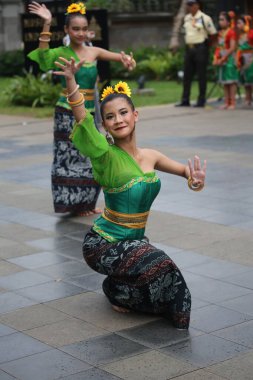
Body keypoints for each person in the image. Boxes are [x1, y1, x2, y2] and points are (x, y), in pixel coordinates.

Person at [52, 56, 207, 329]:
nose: (118, 120)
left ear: (135, 115)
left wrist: (194, 180)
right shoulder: (104, 155)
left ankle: (116, 287)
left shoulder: (151, 156)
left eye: (123, 112)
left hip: (136, 241)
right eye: (110, 117)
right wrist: (71, 81)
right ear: (106, 125)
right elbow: (82, 118)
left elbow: (187, 173)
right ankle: (127, 292)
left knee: (153, 279)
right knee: (162, 265)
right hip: (103, 244)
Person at [27, 1, 135, 216]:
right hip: (67, 112)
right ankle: (70, 204)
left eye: (84, 29)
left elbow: (120, 57)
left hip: (90, 112)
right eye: (75, 28)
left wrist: (128, 60)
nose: (80, 33)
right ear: (67, 30)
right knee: (67, 156)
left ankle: (86, 203)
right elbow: (42, 57)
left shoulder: (93, 51)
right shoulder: (61, 53)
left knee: (92, 154)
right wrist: (47, 23)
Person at [176, 0, 217, 108]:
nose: (189, 7)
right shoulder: (187, 18)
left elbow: (213, 34)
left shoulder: (205, 18)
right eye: (188, 5)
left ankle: (201, 100)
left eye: (191, 5)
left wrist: (206, 46)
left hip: (201, 48)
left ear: (197, 5)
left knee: (201, 75)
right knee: (187, 75)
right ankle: (185, 100)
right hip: (189, 48)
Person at [213, 11, 238, 110]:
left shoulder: (231, 32)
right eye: (219, 19)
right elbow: (219, 47)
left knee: (231, 82)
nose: (220, 22)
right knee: (225, 82)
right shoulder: (220, 33)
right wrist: (216, 58)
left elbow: (232, 48)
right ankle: (226, 102)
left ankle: (232, 103)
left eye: (222, 20)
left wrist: (223, 58)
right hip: (222, 60)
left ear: (228, 22)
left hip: (230, 60)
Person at [236, 15, 253, 106]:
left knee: (252, 79)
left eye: (239, 23)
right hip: (243, 59)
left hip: (250, 58)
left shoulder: (251, 33)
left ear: (245, 23)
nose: (237, 25)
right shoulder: (240, 35)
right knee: (246, 81)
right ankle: (248, 99)